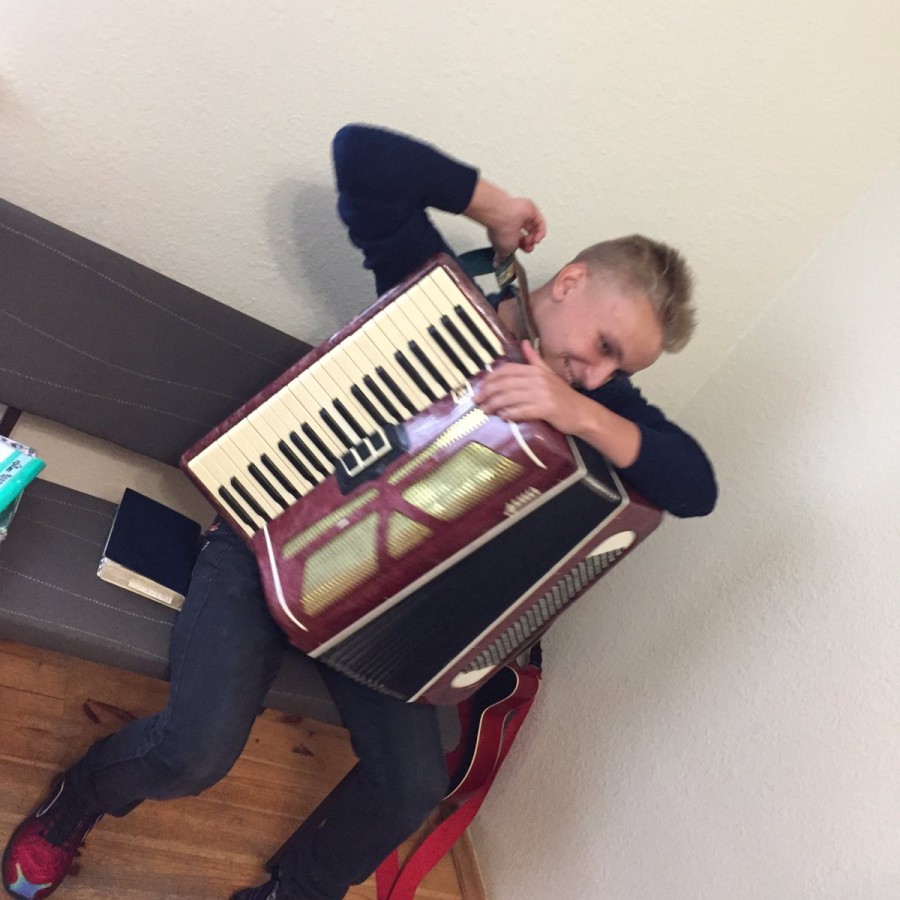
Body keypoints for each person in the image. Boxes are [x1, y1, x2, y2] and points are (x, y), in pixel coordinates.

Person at [2, 124, 717, 900]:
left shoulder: (594, 398)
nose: (599, 373)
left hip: (387, 604)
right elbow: (363, 158)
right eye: (605, 345)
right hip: (270, 544)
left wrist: (580, 414)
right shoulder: (441, 290)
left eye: (620, 367)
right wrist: (493, 205)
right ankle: (78, 798)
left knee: (412, 787)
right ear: (570, 281)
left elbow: (695, 487)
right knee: (195, 752)